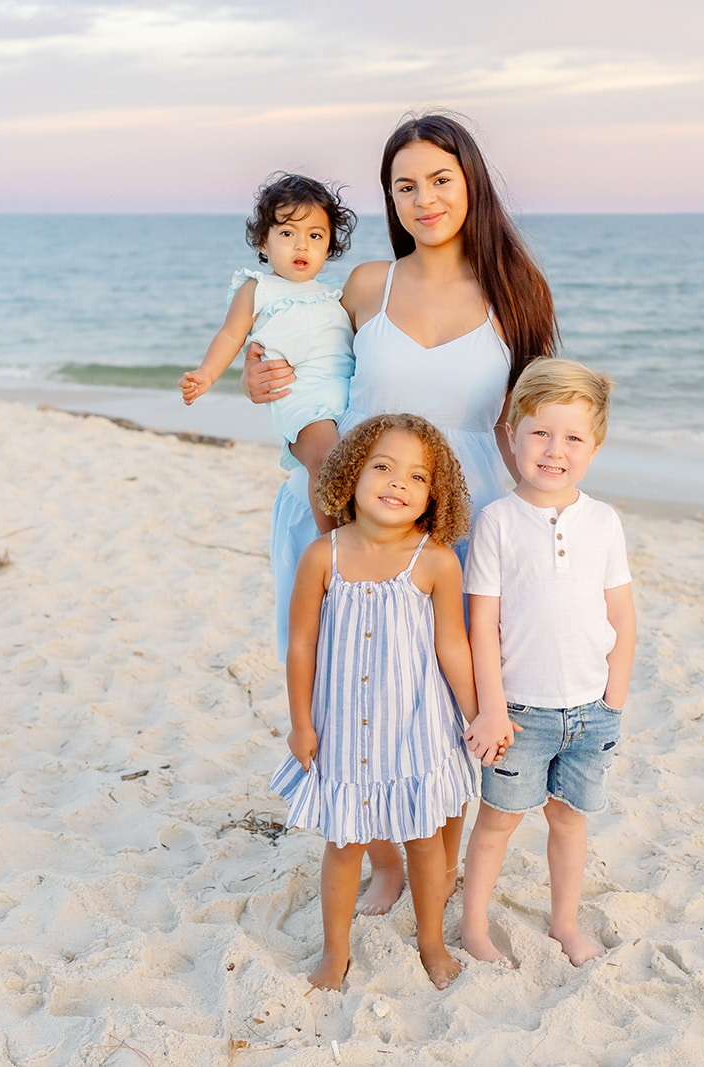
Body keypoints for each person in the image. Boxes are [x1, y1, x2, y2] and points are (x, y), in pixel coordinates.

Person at [245, 113, 557, 915]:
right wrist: (264, 379)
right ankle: (383, 857)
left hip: (467, 511)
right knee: (347, 692)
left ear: (471, 183)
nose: (424, 199)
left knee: (441, 701)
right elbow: (308, 380)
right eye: (404, 185)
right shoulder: (364, 286)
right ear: (389, 197)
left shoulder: (516, 292)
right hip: (349, 508)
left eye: (440, 180)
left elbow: (528, 421)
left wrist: (545, 527)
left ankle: (436, 865)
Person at [270, 413, 485, 990]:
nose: (397, 483)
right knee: (344, 844)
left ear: (433, 496)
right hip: (343, 730)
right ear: (352, 473)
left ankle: (432, 942)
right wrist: (299, 723)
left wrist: (479, 715)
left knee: (424, 841)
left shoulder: (436, 559)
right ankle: (335, 954)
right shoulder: (324, 555)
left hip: (418, 728)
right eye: (383, 467)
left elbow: (453, 648)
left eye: (417, 477)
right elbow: (301, 644)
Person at [459, 359, 636, 967]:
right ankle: (475, 927)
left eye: (573, 437)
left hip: (591, 711)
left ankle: (565, 922)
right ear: (511, 433)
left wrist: (614, 698)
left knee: (569, 819)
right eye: (539, 432)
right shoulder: (497, 522)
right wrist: (489, 710)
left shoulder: (604, 521)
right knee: (499, 822)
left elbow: (623, 617)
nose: (554, 450)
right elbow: (482, 624)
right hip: (519, 711)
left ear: (596, 445)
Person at [181, 173, 358, 533]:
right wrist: (207, 374)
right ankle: (335, 545)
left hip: (346, 393)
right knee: (326, 460)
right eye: (287, 234)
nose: (301, 246)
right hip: (300, 396)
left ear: (329, 247)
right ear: (264, 243)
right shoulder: (257, 289)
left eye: (315, 236)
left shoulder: (331, 293)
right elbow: (231, 335)